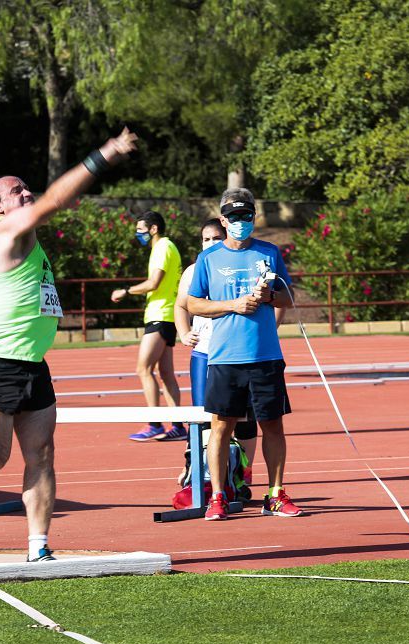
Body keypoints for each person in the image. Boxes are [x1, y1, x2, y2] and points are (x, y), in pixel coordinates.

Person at [0, 128, 139, 562]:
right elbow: (56, 200)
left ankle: (39, 548)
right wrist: (106, 152)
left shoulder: (4, 236)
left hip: (32, 362)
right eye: (17, 191)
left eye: (26, 187)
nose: (27, 192)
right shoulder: (7, 227)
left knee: (42, 455)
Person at [186, 188, 302, 521]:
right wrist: (231, 306)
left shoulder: (269, 252)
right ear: (223, 221)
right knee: (221, 428)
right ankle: (218, 496)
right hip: (225, 357)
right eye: (234, 217)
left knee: (273, 425)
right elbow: (193, 303)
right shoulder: (208, 258)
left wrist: (269, 297)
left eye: (247, 216)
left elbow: (287, 298)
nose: (241, 222)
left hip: (265, 354)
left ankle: (275, 494)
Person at [174, 218, 257, 495]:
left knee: (243, 416)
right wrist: (184, 333)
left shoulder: (237, 266)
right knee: (201, 415)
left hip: (237, 351)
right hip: (204, 352)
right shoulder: (193, 270)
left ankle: (243, 473)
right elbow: (181, 306)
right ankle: (196, 470)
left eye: (214, 238)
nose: (209, 244)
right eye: (204, 239)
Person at [111, 211, 184, 442]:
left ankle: (154, 423)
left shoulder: (162, 247)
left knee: (144, 369)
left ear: (154, 229)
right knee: (166, 374)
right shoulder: (166, 247)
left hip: (161, 315)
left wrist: (126, 291)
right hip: (166, 315)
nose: (138, 234)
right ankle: (178, 426)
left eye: (141, 229)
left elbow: (154, 283)